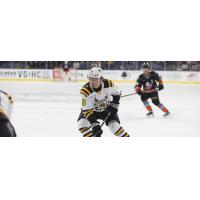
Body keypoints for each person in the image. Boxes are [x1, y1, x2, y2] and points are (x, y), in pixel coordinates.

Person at [77, 67, 129, 137]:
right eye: (91, 79)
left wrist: (114, 105)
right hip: (92, 112)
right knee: (81, 125)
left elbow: (117, 94)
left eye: (95, 79)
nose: (92, 81)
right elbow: (86, 110)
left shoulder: (109, 84)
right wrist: (94, 124)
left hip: (106, 110)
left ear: (101, 79)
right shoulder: (85, 91)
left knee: (115, 127)